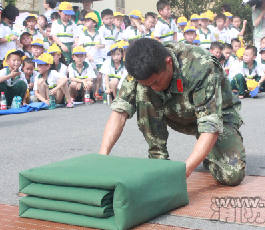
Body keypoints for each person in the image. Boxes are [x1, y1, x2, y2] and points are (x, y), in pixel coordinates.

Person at [99, 38, 246, 185]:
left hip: (217, 115)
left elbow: (210, 125)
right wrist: (102, 157)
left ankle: (211, 151)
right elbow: (119, 112)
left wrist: (183, 172)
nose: (154, 88)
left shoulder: (201, 65)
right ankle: (158, 160)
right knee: (143, 91)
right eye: (150, 84)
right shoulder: (139, 67)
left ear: (168, 62)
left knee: (231, 176)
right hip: (177, 112)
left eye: (157, 81)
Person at [97, 9, 118, 100]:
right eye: (106, 19)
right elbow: (101, 40)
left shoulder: (116, 28)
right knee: (104, 73)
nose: (109, 20)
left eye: (110, 18)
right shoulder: (102, 29)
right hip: (104, 54)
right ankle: (104, 90)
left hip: (113, 54)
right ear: (102, 19)